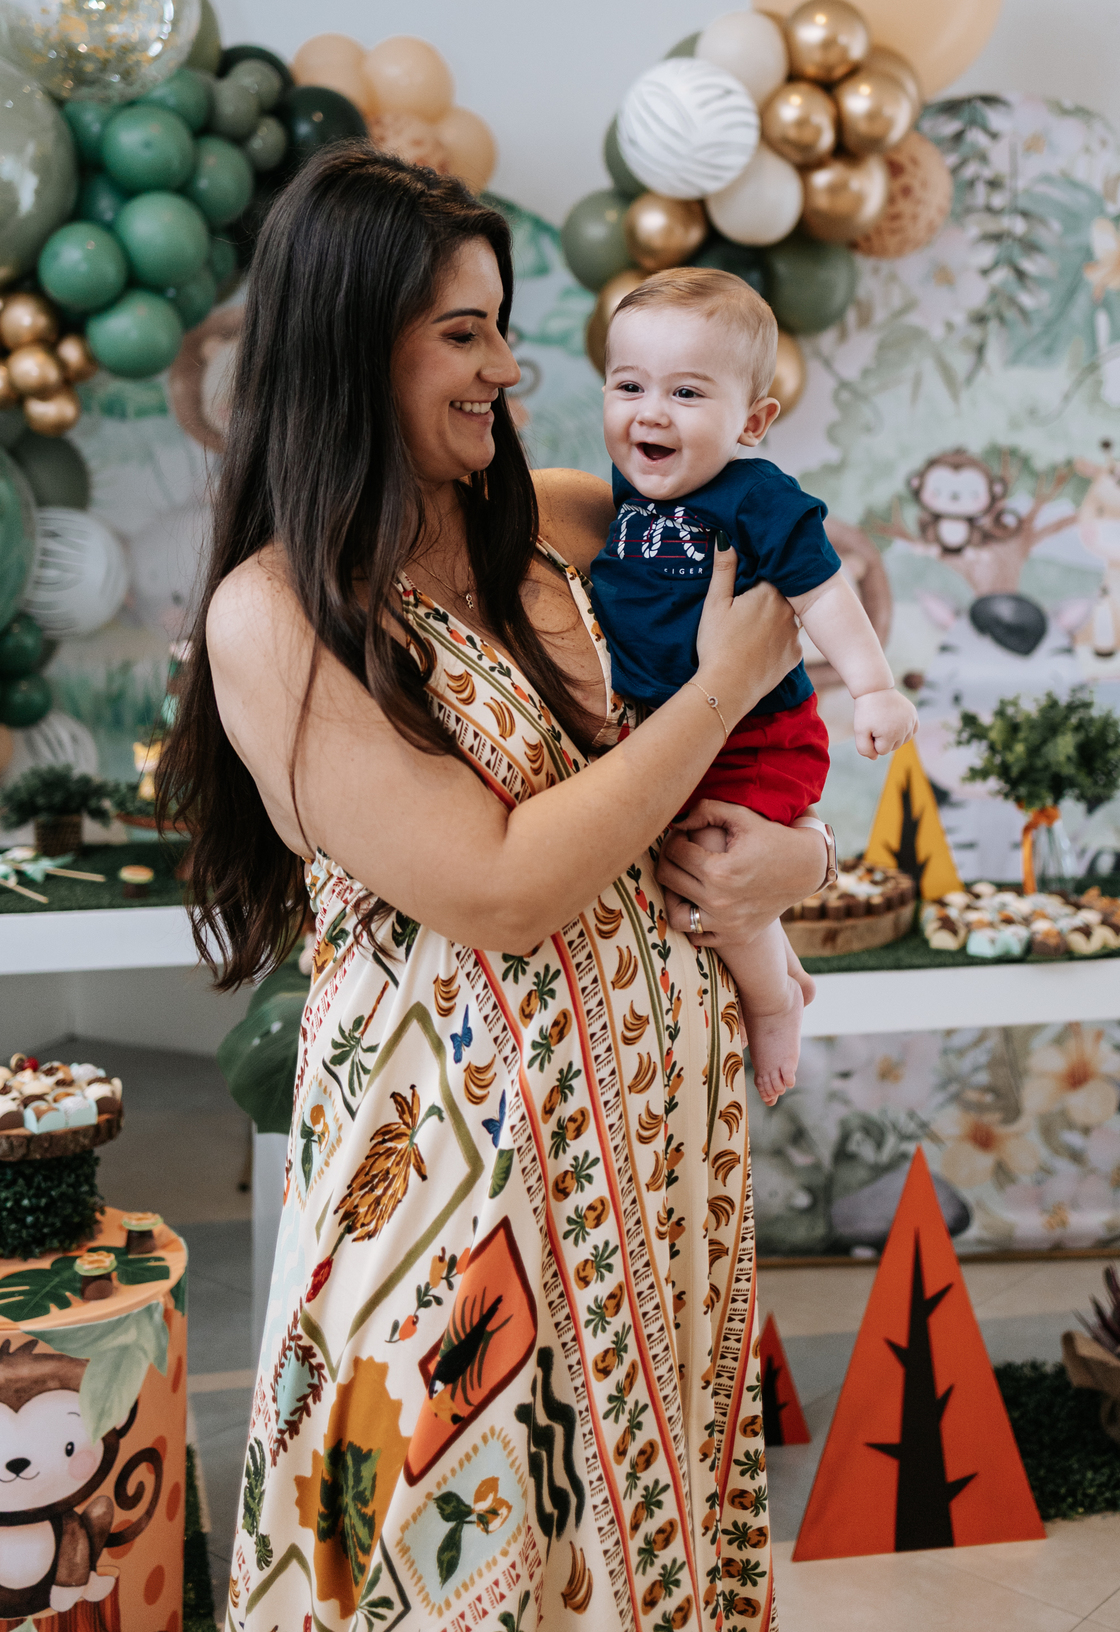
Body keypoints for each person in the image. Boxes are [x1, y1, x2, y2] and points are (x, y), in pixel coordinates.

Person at [162, 145, 826, 1632]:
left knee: (637, 1543)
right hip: (451, 1207)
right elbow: (503, 891)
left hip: (648, 1186)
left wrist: (799, 855)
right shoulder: (275, 615)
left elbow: (818, 588)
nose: (508, 371)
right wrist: (712, 701)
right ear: (352, 343)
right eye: (463, 333)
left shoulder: (560, 526)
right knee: (433, 1549)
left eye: (502, 328)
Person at [591, 268, 917, 1108]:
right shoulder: (631, 491)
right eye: (628, 386)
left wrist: (874, 687)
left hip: (757, 735)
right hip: (675, 733)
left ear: (752, 420)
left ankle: (774, 1000)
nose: (650, 412)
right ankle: (769, 966)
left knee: (720, 874)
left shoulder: (758, 496)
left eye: (687, 393)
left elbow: (823, 592)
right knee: (695, 871)